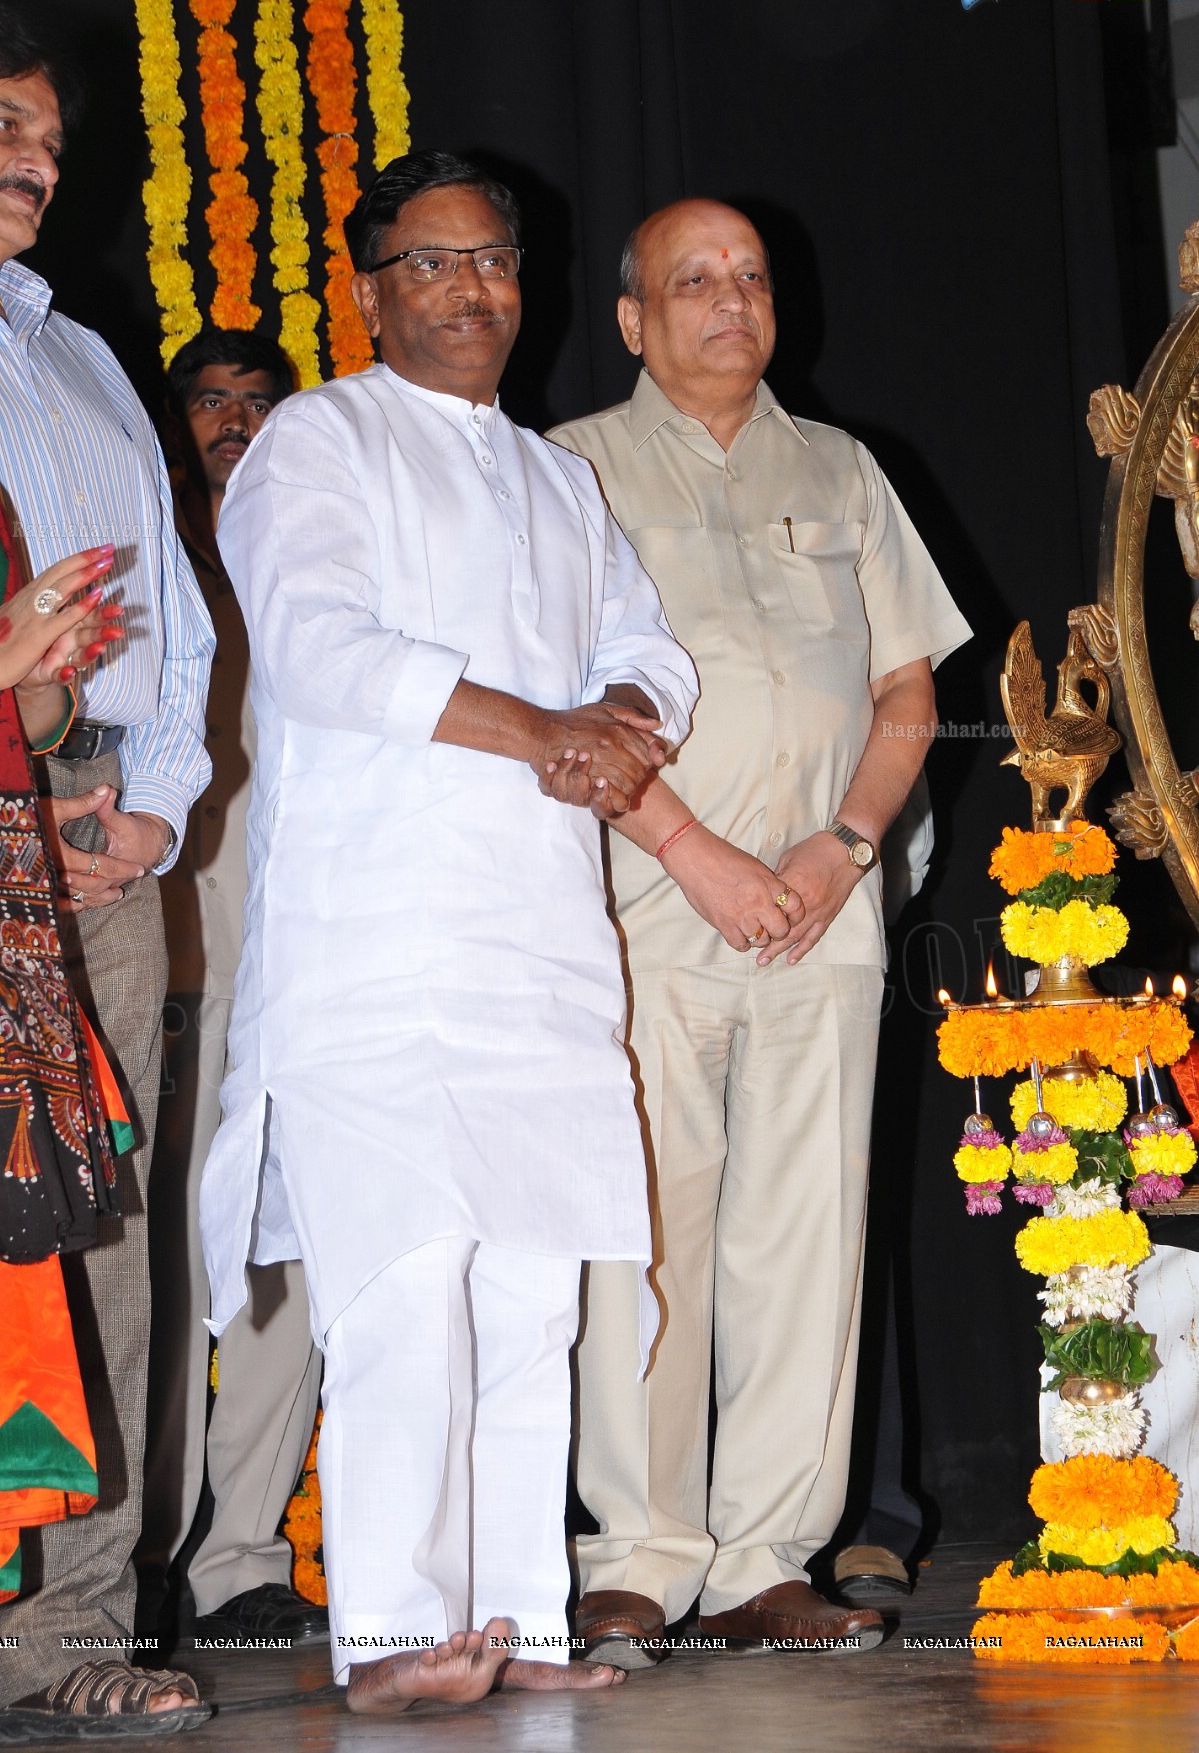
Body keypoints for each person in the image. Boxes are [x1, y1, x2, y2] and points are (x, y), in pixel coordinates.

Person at [199, 150, 698, 1715]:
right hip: (378, 947)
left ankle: (520, 1625)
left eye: (495, 261)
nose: (474, 288)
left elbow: (648, 646)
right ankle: (395, 1633)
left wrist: (617, 719)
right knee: (405, 1285)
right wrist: (552, 726)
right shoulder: (313, 446)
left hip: (539, 946)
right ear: (367, 290)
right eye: (433, 262)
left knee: (533, 1297)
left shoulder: (555, 475)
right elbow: (326, 650)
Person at [547, 198, 971, 1661]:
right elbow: (555, 717)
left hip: (827, 917)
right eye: (693, 280)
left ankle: (765, 1559)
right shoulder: (570, 469)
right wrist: (712, 860)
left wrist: (844, 848)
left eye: (750, 277)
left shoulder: (844, 469)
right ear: (633, 320)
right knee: (645, 1240)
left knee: (809, 1238)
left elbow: (909, 695)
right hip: (649, 911)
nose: (730, 300)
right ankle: (640, 1553)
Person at [0, 9, 213, 1727]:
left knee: (101, 1244)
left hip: (94, 844)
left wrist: (155, 795)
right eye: (4, 124)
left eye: (51, 143)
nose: (33, 160)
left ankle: (72, 1630)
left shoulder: (81, 366)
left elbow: (183, 620)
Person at [139, 329, 327, 1648]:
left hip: (307, 979)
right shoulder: (151, 555)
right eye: (207, 402)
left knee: (279, 1270)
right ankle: (138, 1557)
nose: (231, 422)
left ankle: (243, 1555)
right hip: (171, 972)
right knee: (152, 1272)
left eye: (255, 401)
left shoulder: (327, 559)